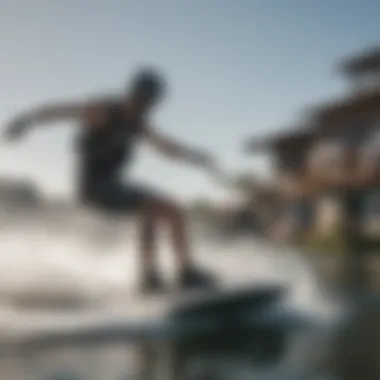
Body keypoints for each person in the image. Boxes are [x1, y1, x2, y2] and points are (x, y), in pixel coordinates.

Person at [2, 68, 218, 293]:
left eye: (150, 104)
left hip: (113, 186)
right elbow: (61, 111)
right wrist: (25, 120)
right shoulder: (103, 111)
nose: (145, 108)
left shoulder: (138, 124)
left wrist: (195, 156)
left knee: (159, 212)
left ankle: (150, 277)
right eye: (143, 101)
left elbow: (165, 147)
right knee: (167, 210)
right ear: (134, 95)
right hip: (94, 188)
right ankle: (185, 274)